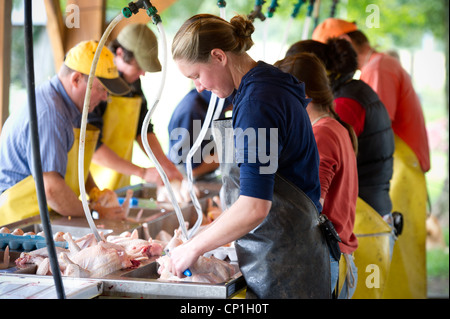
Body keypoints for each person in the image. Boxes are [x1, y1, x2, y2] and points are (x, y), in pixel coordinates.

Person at [168, 14, 331, 299]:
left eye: (196, 75)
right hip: (290, 256)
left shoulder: (258, 103)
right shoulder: (265, 84)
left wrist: (193, 248)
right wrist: (200, 238)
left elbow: (255, 206)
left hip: (287, 270)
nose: (199, 87)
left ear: (219, 56)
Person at [0, 40, 130, 226]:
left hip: (43, 214)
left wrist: (93, 191)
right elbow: (52, 190)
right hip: (18, 223)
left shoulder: (69, 106)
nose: (105, 98)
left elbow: (73, 164)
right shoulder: (52, 114)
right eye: (102, 89)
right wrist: (95, 213)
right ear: (76, 79)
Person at [275, 52, 359, 299]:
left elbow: (311, 206)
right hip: (337, 257)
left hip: (325, 261)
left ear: (303, 95)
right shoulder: (335, 126)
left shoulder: (322, 134)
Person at [285, 38, 395, 218]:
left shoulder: (343, 106)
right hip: (369, 209)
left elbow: (313, 199)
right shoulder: (355, 91)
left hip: (366, 215)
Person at [312, 18, 430, 174]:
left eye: (327, 54)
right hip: (400, 164)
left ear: (345, 41)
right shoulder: (376, 66)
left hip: (404, 168)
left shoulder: (378, 69)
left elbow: (378, 125)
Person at [88, 23, 183, 191]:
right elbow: (91, 147)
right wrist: (142, 173)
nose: (143, 74)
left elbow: (144, 130)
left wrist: (166, 166)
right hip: (90, 185)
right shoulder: (97, 83)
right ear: (119, 53)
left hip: (119, 181)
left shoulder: (133, 83)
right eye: (138, 67)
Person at [168, 88, 234, 179]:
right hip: (186, 177)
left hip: (208, 171)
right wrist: (233, 154)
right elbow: (192, 169)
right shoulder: (192, 112)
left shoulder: (215, 105)